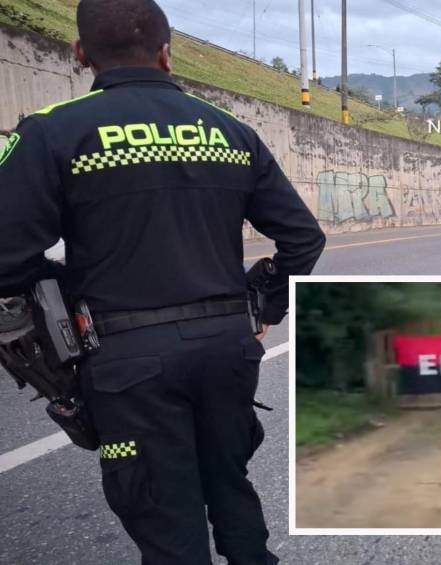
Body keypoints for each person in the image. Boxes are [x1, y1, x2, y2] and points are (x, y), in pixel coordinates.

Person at [0, 1, 326, 563]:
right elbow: (304, 240)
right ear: (167, 53)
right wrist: (262, 308)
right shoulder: (231, 131)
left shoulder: (52, 133)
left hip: (127, 364)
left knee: (165, 516)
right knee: (230, 484)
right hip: (228, 351)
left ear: (79, 54)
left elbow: (5, 257)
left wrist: (69, 287)